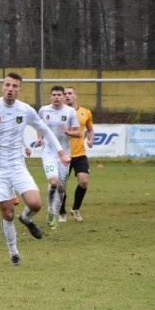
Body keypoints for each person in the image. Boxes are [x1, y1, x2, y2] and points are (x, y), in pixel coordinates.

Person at [0, 73, 70, 266]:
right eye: (7, 85)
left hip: (16, 165)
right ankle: (14, 253)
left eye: (15, 86)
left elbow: (45, 130)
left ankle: (26, 218)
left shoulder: (26, 110)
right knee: (7, 214)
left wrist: (61, 152)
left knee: (35, 204)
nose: (10, 89)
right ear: (2, 87)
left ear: (20, 89)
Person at [36, 85, 79, 230]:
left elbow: (78, 133)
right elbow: (39, 126)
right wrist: (39, 138)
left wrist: (68, 132)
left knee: (61, 188)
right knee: (53, 182)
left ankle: (55, 213)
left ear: (63, 97)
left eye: (59, 95)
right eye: (53, 94)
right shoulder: (43, 110)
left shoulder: (70, 112)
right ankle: (50, 211)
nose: (56, 97)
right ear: (50, 96)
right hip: (48, 152)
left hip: (64, 154)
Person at [61, 86, 94, 221]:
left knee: (84, 181)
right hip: (63, 154)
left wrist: (90, 140)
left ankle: (75, 209)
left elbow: (90, 129)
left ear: (75, 95)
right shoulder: (59, 112)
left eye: (70, 93)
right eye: (65, 94)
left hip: (80, 154)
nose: (67, 96)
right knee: (61, 186)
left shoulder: (85, 112)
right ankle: (61, 212)